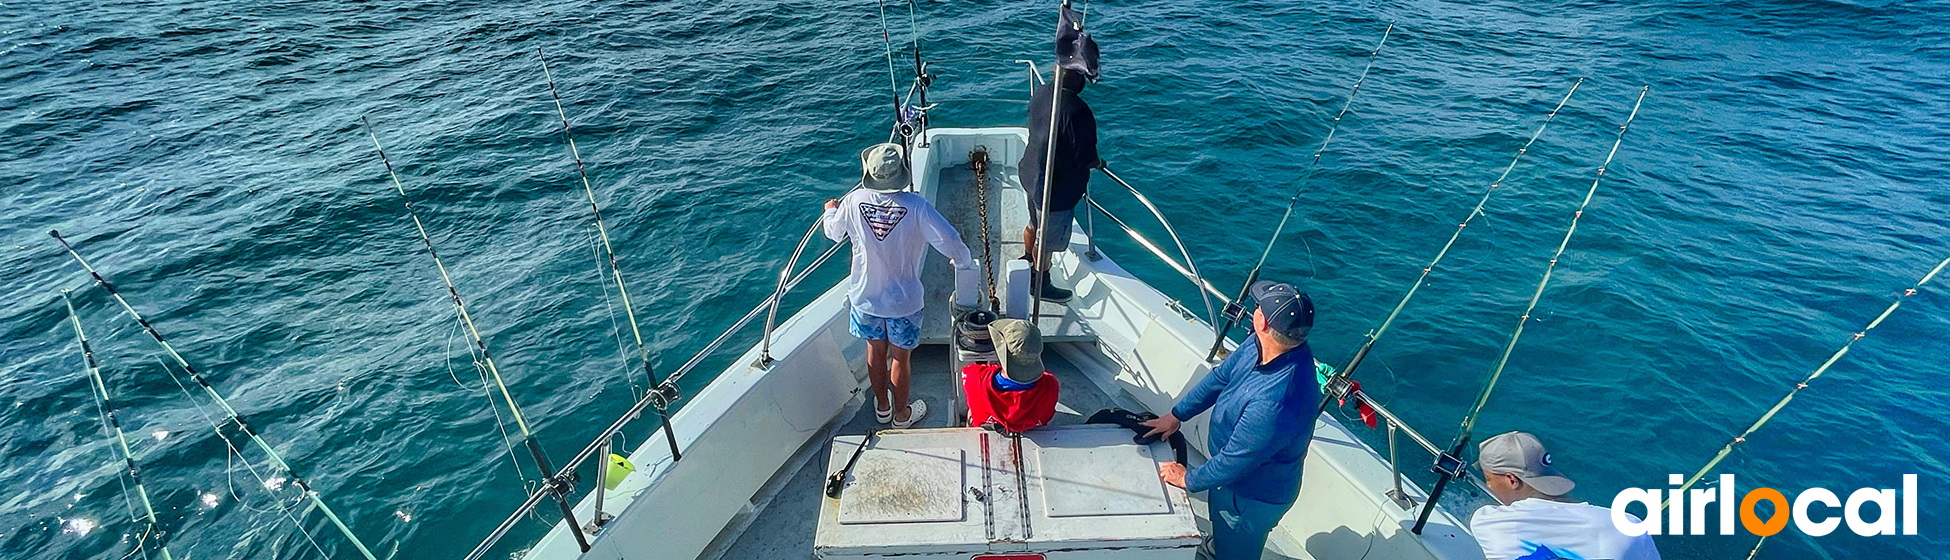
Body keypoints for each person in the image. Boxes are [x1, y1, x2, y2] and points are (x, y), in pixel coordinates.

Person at [1141, 281, 1318, 560]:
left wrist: (1189, 478)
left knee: (1236, 552)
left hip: (1249, 498)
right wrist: (1176, 416)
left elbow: (1234, 462)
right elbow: (1220, 378)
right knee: (1226, 536)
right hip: (1233, 483)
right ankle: (1221, 543)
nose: (1254, 310)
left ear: (1262, 322)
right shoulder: (1260, 344)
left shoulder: (1276, 403)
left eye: (1257, 307)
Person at [823, 142, 975, 429]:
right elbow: (950, 239)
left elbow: (833, 233)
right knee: (900, 359)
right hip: (903, 302)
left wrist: (831, 211)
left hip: (865, 298)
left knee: (874, 351)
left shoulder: (854, 201)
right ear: (901, 174)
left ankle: (882, 407)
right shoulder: (916, 207)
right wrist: (964, 262)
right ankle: (902, 415)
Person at [1469, 431, 1662, 560]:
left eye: (1488, 479)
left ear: (1512, 480)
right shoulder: (1631, 524)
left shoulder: (1489, 522)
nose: (1489, 487)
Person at [1018, 4, 1100, 302]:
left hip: (1030, 175)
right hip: (1054, 190)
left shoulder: (1042, 93)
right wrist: (1099, 162)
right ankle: (1040, 281)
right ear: (1077, 78)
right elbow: (1086, 158)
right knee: (1048, 241)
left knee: (1032, 223)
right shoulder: (1078, 111)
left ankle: (1026, 258)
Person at [961, 318, 1060, 434]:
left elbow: (967, 371)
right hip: (1031, 427)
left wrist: (992, 367)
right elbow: (1046, 416)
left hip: (987, 427)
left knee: (971, 411)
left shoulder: (974, 377)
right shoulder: (1050, 384)